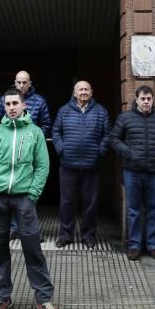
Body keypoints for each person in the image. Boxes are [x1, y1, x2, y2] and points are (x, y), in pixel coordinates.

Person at [0, 89, 59, 309]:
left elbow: (42, 165)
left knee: (33, 249)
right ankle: (1, 296)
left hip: (24, 199)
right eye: (8, 104)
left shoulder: (34, 133)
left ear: (24, 106)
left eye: (15, 103)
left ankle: (44, 298)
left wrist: (33, 194)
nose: (11, 107)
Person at [109, 85, 155, 261]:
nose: (146, 102)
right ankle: (134, 245)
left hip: (153, 171)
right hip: (132, 171)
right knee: (133, 209)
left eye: (149, 99)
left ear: (153, 100)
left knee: (153, 209)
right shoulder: (125, 118)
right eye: (142, 99)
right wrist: (128, 153)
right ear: (136, 100)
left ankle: (153, 245)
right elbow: (114, 139)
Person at [51, 80, 110, 249]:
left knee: (90, 204)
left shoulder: (101, 112)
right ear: (74, 93)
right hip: (68, 165)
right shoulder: (64, 111)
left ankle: (88, 236)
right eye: (80, 89)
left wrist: (100, 151)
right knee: (67, 202)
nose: (83, 92)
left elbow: (108, 134)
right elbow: (55, 132)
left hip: (92, 165)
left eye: (86, 89)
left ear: (91, 92)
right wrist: (61, 148)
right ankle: (65, 236)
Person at [0, 70, 51, 238]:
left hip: (30, 152)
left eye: (24, 82)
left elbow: (46, 124)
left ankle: (30, 228)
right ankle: (13, 228)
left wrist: (36, 141)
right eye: (19, 82)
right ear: (14, 82)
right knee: (10, 188)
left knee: (30, 191)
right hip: (9, 151)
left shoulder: (40, 101)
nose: (21, 85)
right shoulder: (6, 99)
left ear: (30, 83)